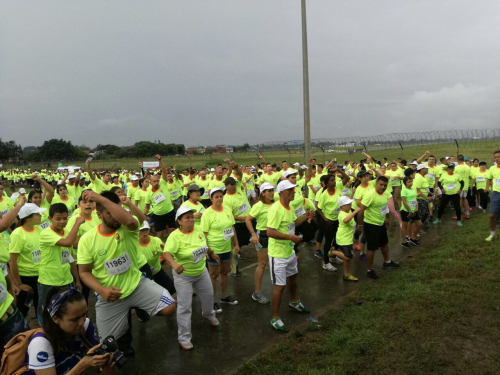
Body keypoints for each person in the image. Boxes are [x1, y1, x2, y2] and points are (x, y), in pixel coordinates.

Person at [77, 190, 176, 354]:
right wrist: (102, 290)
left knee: (169, 308)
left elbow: (131, 220)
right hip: (109, 296)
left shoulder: (127, 229)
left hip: (136, 284)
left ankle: (136, 307)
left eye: (117, 210)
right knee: (106, 351)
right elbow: (84, 272)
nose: (116, 217)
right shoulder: (87, 240)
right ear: (99, 214)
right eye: (109, 213)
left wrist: (101, 198)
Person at [164, 206, 219, 350]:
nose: (191, 220)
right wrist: (174, 264)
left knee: (209, 295)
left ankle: (208, 314)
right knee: (185, 306)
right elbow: (167, 253)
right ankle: (184, 337)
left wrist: (212, 253)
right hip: (184, 277)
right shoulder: (175, 236)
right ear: (179, 221)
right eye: (187, 217)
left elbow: (204, 245)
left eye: (191, 216)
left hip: (201, 271)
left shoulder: (198, 229)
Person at [26, 286, 114, 374]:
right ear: (56, 319)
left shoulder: (85, 325)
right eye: (75, 319)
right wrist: (83, 363)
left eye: (84, 314)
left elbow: (96, 366)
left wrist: (104, 364)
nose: (81, 322)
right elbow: (85, 362)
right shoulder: (40, 343)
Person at [267, 180, 314, 332]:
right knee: (280, 287)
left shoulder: (290, 207)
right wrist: (290, 237)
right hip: (278, 255)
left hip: (290, 252)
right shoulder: (276, 209)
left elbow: (294, 223)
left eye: (293, 190)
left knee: (293, 278)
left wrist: (306, 215)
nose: (293, 192)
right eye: (290, 190)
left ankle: (294, 302)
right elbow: (270, 232)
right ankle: (275, 318)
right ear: (281, 193)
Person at [37, 203, 84, 323]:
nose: (62, 221)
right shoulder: (46, 233)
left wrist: (77, 280)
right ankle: (46, 333)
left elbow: (70, 258)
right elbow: (68, 243)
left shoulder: (67, 231)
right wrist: (77, 223)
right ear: (50, 219)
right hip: (49, 281)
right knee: (46, 312)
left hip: (67, 280)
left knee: (64, 311)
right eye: (58, 219)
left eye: (65, 218)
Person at [201, 187, 239, 313]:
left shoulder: (227, 209)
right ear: (211, 199)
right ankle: (211, 301)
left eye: (220, 196)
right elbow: (204, 235)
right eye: (216, 196)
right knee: (213, 275)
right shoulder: (207, 213)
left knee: (224, 272)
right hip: (214, 250)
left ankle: (224, 296)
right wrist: (208, 250)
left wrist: (236, 244)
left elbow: (232, 228)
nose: (219, 199)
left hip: (226, 248)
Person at [0, 195, 29, 355]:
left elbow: (2, 265)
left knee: (23, 347)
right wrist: (19, 205)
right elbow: (4, 224)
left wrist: (11, 283)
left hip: (5, 307)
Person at [356, 176, 400, 279]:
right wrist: (360, 225)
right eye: (381, 185)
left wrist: (387, 218)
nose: (383, 187)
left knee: (384, 244)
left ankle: (387, 262)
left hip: (381, 224)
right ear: (376, 183)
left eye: (385, 185)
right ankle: (369, 270)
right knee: (372, 248)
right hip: (371, 225)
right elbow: (361, 211)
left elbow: (385, 207)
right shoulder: (370, 195)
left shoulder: (385, 194)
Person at [8, 204, 46, 320]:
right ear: (28, 217)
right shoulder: (18, 234)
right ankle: (21, 332)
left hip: (41, 276)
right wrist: (19, 284)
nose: (40, 216)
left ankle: (42, 329)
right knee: (24, 307)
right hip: (26, 278)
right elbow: (12, 261)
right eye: (37, 214)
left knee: (40, 306)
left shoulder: (39, 229)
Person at [245, 183, 274, 304]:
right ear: (262, 193)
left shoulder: (275, 203)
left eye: (272, 190)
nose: (272, 193)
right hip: (263, 236)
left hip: (275, 234)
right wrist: (253, 234)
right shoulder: (259, 205)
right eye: (268, 191)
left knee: (277, 262)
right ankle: (257, 292)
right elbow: (247, 219)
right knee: (262, 264)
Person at [316, 170, 349, 271]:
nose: (334, 182)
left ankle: (333, 257)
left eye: (334, 180)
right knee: (328, 241)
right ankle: (326, 262)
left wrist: (340, 170)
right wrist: (325, 219)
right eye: (331, 181)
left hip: (338, 219)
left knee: (337, 239)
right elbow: (318, 208)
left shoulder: (338, 187)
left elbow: (347, 179)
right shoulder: (324, 195)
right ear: (326, 183)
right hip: (329, 222)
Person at [138, 221, 175, 295]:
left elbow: (165, 255)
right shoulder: (134, 243)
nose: (144, 232)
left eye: (146, 230)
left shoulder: (155, 240)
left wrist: (174, 265)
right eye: (141, 230)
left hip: (157, 271)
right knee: (152, 295)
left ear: (149, 230)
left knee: (172, 288)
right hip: (143, 276)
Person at [330, 196, 359, 281]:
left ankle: (346, 274)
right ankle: (333, 252)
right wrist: (355, 212)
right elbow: (346, 220)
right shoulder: (342, 213)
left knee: (348, 258)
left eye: (350, 203)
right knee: (348, 256)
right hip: (343, 238)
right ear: (342, 206)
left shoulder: (348, 210)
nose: (350, 205)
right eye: (348, 204)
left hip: (348, 238)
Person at [400, 177, 420, 248]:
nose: (411, 183)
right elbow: (404, 202)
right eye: (409, 182)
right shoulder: (404, 190)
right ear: (405, 183)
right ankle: (404, 241)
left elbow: (415, 200)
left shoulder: (413, 190)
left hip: (414, 211)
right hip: (405, 211)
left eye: (411, 181)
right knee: (404, 226)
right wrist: (410, 211)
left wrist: (416, 208)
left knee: (419, 224)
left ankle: (413, 238)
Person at [485, 150, 500, 241]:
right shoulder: (492, 168)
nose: (497, 159)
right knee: (492, 215)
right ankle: (493, 233)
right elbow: (489, 179)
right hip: (496, 194)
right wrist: (487, 187)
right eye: (496, 157)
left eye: (499, 157)